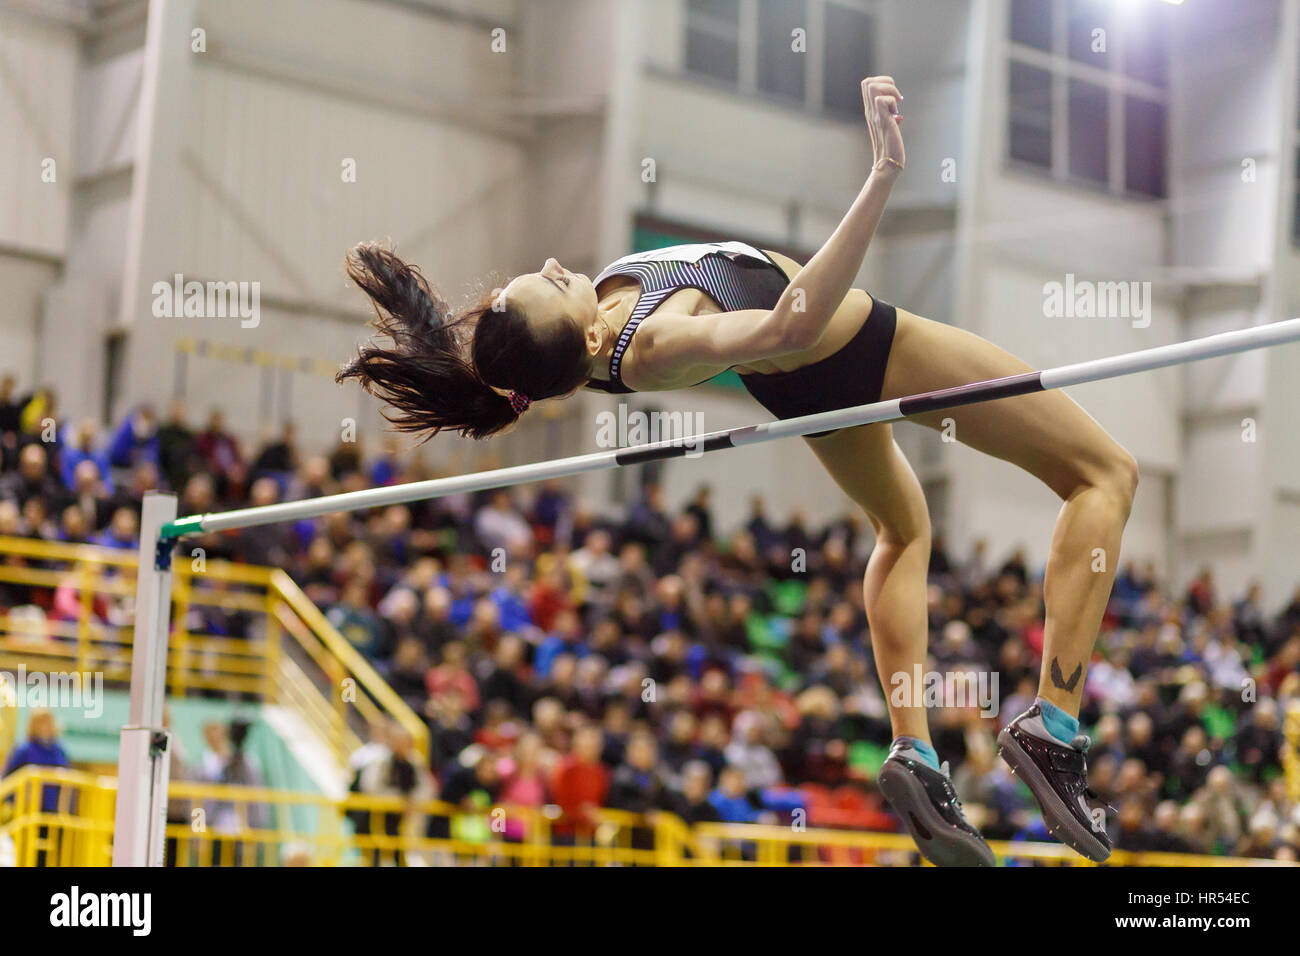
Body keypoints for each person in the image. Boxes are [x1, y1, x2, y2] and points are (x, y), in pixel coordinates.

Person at [334, 76, 1137, 867]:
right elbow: (794, 320)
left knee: (902, 529)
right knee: (1104, 474)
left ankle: (915, 751)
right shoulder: (650, 345)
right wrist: (883, 171)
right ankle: (1053, 728)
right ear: (582, 344)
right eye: (549, 285)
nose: (551, 262)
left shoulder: (576, 334)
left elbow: (507, 351)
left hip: (805, 391)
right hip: (867, 352)